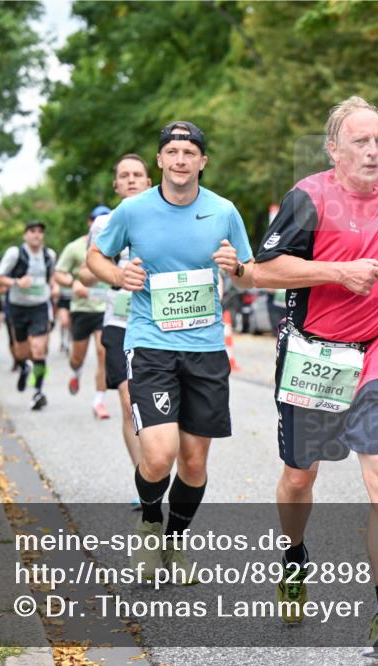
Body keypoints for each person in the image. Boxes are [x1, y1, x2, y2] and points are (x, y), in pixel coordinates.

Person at [253, 97, 378, 660]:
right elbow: (260, 269)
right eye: (360, 141)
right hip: (314, 356)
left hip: (375, 352)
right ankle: (294, 554)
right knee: (301, 480)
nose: (374, 152)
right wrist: (337, 272)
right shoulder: (309, 197)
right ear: (334, 148)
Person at [88, 122, 255, 581]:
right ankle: (148, 521)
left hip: (205, 349)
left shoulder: (223, 211)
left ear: (202, 161)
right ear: (159, 160)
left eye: (189, 152)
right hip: (151, 343)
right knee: (159, 455)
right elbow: (96, 257)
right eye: (172, 151)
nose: (180, 159)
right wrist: (117, 276)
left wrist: (237, 266)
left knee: (195, 462)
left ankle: (176, 544)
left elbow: (250, 271)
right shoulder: (132, 210)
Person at [80, 153, 153, 503]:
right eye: (124, 175)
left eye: (137, 174)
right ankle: (145, 483)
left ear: (149, 181)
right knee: (127, 402)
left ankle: (159, 463)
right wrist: (110, 275)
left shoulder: (163, 218)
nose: (131, 180)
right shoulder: (103, 224)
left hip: (158, 324)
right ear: (116, 184)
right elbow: (85, 270)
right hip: (118, 323)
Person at [56, 205, 113, 419]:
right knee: (77, 357)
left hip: (105, 309)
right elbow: (58, 274)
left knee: (103, 353)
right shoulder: (74, 248)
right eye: (97, 219)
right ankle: (76, 372)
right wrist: (73, 284)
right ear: (90, 222)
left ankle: (99, 401)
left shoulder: (115, 244)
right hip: (81, 310)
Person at [0, 222, 58, 410]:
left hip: (39, 306)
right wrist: (17, 282)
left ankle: (38, 391)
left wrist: (54, 287)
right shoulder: (15, 253)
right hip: (18, 307)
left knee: (39, 349)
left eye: (40, 232)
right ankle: (24, 367)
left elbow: (51, 277)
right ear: (25, 235)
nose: (36, 235)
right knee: (21, 352)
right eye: (32, 231)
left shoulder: (50, 255)